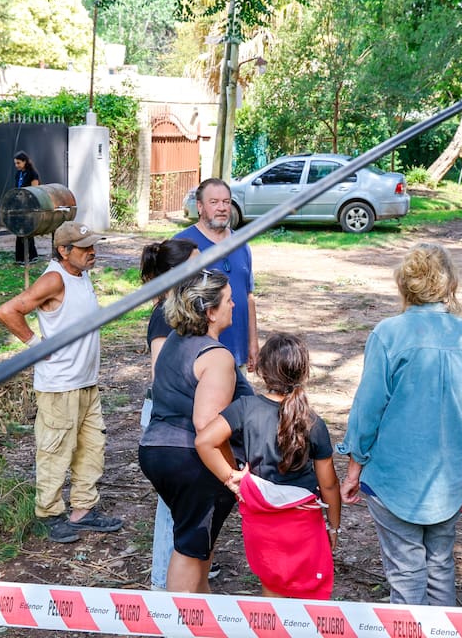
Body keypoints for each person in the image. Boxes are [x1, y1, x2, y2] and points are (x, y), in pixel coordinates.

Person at [339, 243, 462, 606]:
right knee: (441, 568)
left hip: (394, 481)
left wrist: (353, 470)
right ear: (449, 284)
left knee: (406, 575)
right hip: (450, 482)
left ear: (405, 284)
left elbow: (367, 411)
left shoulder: (388, 334)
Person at [0, 220, 122, 544]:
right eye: (85, 248)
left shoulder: (81, 274)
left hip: (86, 382)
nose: (92, 252)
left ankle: (83, 510)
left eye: (93, 246)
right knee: (55, 451)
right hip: (60, 385)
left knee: (92, 447)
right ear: (64, 251)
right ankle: (49, 514)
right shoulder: (54, 278)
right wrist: (37, 347)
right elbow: (8, 311)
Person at [195, 332, 342, 599]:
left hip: (261, 519)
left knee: (272, 585)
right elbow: (329, 484)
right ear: (303, 371)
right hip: (303, 522)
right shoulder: (312, 421)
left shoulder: (245, 408)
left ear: (262, 369)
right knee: (310, 593)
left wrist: (231, 479)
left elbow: (205, 441)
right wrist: (333, 526)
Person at [138, 270, 255, 592]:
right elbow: (207, 425)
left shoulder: (176, 341)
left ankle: (200, 617)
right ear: (210, 311)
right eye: (229, 300)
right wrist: (231, 473)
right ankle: (178, 619)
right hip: (192, 460)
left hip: (157, 449)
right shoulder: (216, 357)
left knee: (199, 542)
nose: (234, 304)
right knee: (190, 548)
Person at [138, 237, 200, 589]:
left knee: (187, 500)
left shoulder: (181, 309)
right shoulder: (164, 315)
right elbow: (162, 372)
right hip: (170, 417)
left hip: (183, 413)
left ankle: (186, 566)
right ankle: (163, 581)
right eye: (195, 263)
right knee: (172, 506)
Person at [176, 178, 259, 372]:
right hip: (199, 356)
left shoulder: (241, 243)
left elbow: (249, 297)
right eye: (214, 202)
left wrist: (252, 343)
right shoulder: (183, 244)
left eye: (226, 202)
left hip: (237, 354)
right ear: (200, 206)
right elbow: (168, 302)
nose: (221, 208)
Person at [13, 151, 41, 264]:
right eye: (15, 163)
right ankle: (20, 257)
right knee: (19, 231)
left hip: (29, 205)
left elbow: (35, 190)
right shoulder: (18, 174)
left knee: (27, 231)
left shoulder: (33, 174)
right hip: (19, 205)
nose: (17, 166)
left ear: (25, 162)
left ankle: (31, 256)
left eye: (18, 163)